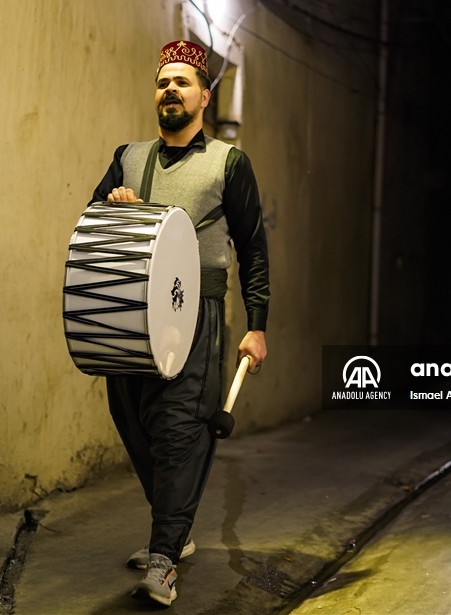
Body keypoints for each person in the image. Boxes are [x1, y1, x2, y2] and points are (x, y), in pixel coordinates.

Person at [89, 40, 269, 606]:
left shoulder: (228, 164)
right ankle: (177, 529)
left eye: (183, 82)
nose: (171, 89)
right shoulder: (128, 157)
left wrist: (257, 323)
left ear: (205, 97)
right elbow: (93, 220)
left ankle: (165, 557)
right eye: (163, 81)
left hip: (198, 313)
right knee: (131, 417)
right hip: (129, 312)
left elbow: (254, 249)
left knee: (180, 430)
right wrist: (114, 203)